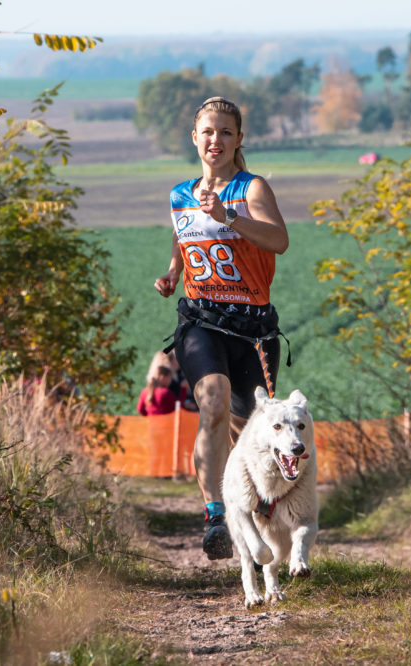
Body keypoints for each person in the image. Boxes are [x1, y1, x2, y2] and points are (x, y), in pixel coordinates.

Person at [153, 96, 289, 560]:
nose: (216, 140)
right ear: (195, 138)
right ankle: (214, 514)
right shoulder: (180, 194)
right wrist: (173, 272)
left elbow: (279, 240)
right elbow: (182, 235)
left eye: (226, 133)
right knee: (209, 402)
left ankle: (248, 509)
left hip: (252, 328)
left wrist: (228, 217)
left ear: (239, 140)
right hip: (201, 321)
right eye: (208, 132)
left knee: (246, 432)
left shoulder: (251, 190)